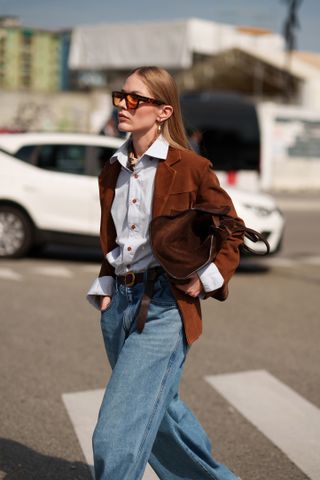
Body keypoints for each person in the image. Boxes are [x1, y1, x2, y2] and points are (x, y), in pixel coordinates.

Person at [87, 66, 244, 480]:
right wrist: (105, 285)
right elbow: (116, 240)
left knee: (114, 434)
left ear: (163, 111)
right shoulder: (113, 169)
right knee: (163, 416)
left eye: (136, 98)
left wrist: (206, 280)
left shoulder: (190, 167)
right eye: (121, 95)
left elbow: (232, 230)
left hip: (164, 308)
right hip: (118, 306)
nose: (123, 104)